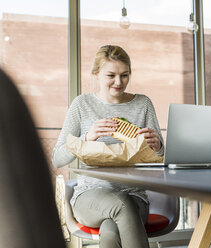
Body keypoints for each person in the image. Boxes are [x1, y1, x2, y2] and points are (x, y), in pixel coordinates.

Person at [52, 45, 164, 248]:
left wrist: (157, 147)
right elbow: (57, 158)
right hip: (89, 198)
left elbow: (162, 157)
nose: (118, 82)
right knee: (122, 204)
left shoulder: (143, 104)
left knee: (111, 231)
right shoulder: (82, 105)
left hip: (135, 196)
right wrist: (87, 138)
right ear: (96, 74)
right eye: (111, 75)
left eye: (125, 75)